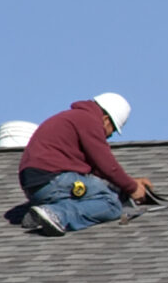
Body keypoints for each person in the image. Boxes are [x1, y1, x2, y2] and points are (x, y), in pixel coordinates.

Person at [18, 94, 154, 236]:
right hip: (55, 179)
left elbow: (97, 169)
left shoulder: (73, 118)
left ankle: (41, 214)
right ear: (106, 119)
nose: (108, 136)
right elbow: (106, 164)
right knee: (111, 203)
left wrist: (129, 182)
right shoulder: (88, 120)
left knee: (99, 189)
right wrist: (132, 188)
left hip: (36, 187)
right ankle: (57, 214)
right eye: (111, 130)